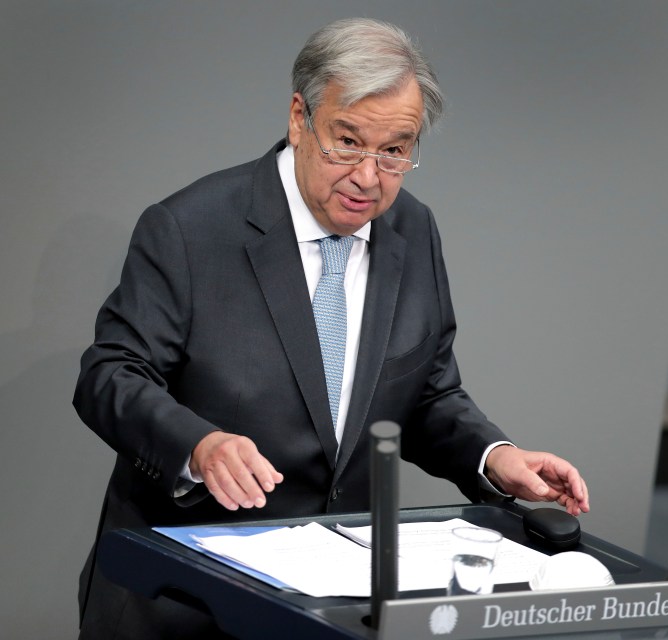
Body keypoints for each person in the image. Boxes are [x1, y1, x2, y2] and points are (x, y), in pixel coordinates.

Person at [73, 17, 589, 639]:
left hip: (334, 608)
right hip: (187, 603)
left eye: (395, 151)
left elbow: (426, 392)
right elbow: (109, 375)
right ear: (300, 118)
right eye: (347, 142)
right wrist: (198, 445)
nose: (369, 178)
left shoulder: (413, 232)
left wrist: (495, 456)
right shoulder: (190, 228)